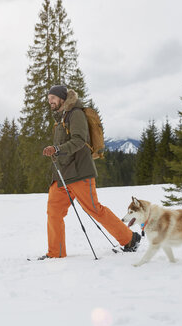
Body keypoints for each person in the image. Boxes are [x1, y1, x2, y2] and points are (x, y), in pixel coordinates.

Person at [38, 85, 141, 260]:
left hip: (80, 173)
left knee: (95, 210)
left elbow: (79, 141)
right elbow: (64, 146)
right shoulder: (61, 118)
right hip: (62, 175)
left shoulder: (76, 113)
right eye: (49, 100)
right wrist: (56, 152)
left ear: (62, 98)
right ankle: (56, 253)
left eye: (53, 98)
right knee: (54, 210)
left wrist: (57, 149)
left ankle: (130, 239)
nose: (50, 102)